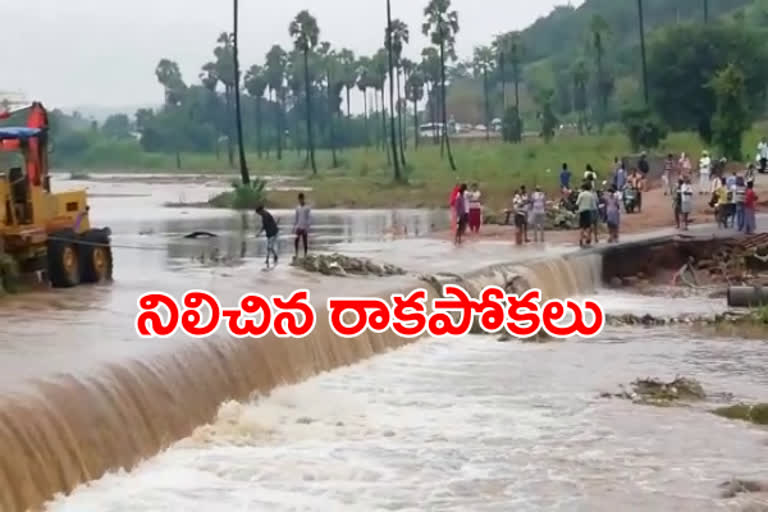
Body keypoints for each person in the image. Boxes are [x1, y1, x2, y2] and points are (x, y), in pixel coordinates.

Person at [576, 182, 597, 248]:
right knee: (588, 226)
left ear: (583, 188)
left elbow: (577, 203)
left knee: (582, 226)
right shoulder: (591, 195)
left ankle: (581, 239)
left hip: (581, 211)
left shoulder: (581, 194)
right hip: (588, 211)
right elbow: (593, 205)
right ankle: (588, 238)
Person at [293, 192, 311, 258]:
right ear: (298, 199)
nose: (301, 200)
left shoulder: (307, 208)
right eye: (299, 199)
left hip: (304, 227)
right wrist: (294, 226)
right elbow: (296, 217)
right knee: (296, 240)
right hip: (298, 226)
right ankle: (296, 253)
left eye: (302, 199)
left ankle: (305, 254)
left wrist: (307, 227)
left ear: (303, 199)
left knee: (305, 241)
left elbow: (309, 218)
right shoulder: (297, 208)